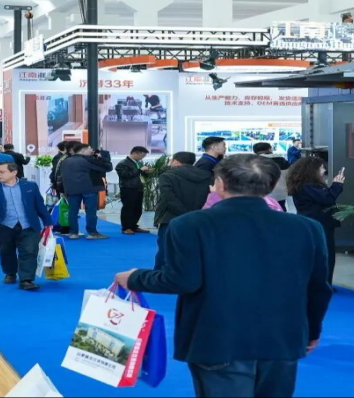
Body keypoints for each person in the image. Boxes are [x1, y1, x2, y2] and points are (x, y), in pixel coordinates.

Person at [113, 155, 333, 398]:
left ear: (220, 184)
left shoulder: (189, 224)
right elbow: (318, 288)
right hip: (282, 337)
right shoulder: (306, 228)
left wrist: (135, 278)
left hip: (217, 338)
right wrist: (312, 331)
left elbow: (182, 279)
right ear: (271, 186)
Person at [0, 162, 53, 291]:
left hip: (28, 225)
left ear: (14, 172)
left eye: (2, 172)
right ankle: (10, 273)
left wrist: (48, 221)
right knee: (6, 251)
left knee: (29, 251)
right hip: (4, 226)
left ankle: (26, 280)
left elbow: (39, 205)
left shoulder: (30, 186)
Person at [287, 156, 345, 285]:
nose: (324, 171)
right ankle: (323, 284)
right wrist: (337, 185)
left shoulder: (303, 186)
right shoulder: (308, 187)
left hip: (313, 224)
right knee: (325, 255)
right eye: (322, 168)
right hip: (319, 225)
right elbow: (328, 199)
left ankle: (318, 283)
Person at [153, 151, 212, 269]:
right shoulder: (207, 176)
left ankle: (160, 276)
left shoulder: (167, 176)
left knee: (165, 251)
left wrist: (184, 214)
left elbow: (168, 198)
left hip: (170, 218)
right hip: (198, 218)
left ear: (175, 161)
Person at [59, 143, 113, 240]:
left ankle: (73, 233)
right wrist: (101, 158)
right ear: (83, 150)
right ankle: (92, 233)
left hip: (71, 189)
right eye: (90, 149)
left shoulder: (65, 161)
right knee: (91, 211)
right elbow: (108, 167)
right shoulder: (88, 159)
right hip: (89, 188)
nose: (91, 151)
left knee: (72, 212)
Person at [114, 146, 151, 235]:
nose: (142, 158)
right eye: (142, 155)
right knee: (128, 208)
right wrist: (139, 170)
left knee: (137, 209)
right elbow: (125, 175)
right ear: (135, 153)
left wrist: (146, 173)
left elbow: (140, 175)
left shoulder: (138, 163)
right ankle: (126, 227)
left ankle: (133, 226)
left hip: (138, 188)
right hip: (128, 188)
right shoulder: (123, 163)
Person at [253, 142, 290, 211]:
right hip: (281, 192)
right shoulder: (283, 160)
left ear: (255, 151)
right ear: (270, 149)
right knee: (281, 208)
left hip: (262, 193)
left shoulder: (254, 162)